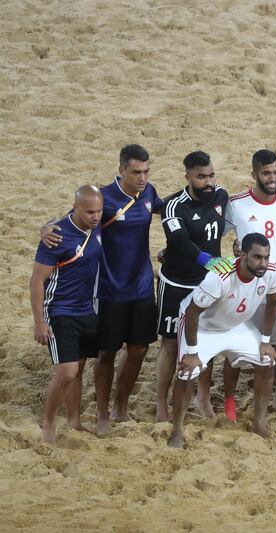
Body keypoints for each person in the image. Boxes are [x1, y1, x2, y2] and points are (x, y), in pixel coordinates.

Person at [40, 145, 164, 434]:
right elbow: (65, 222)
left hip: (142, 285)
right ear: (121, 170)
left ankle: (120, 408)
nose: (142, 178)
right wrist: (44, 228)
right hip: (109, 288)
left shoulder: (148, 192)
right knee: (106, 353)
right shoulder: (104, 199)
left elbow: (166, 209)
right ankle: (102, 413)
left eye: (146, 171)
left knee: (139, 349)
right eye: (135, 172)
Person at [168, 233, 276, 448]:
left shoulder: (271, 273)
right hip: (204, 326)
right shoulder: (220, 277)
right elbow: (192, 313)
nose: (263, 263)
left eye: (266, 257)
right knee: (187, 372)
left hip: (236, 325)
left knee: (268, 361)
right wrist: (192, 353)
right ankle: (177, 430)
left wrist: (266, 340)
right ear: (243, 255)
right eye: (257, 257)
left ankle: (259, 423)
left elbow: (274, 303)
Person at [156, 151, 230, 422]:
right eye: (201, 177)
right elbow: (179, 241)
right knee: (172, 344)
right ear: (187, 176)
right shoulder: (175, 206)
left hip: (206, 284)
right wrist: (208, 260)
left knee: (204, 342)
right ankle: (161, 403)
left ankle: (203, 398)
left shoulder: (221, 196)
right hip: (176, 283)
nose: (208, 181)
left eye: (211, 175)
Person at [222, 149, 276, 421]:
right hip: (243, 283)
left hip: (274, 281)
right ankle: (229, 402)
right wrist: (233, 252)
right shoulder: (237, 204)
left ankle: (270, 398)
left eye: (275, 172)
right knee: (233, 351)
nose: (272, 178)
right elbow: (217, 233)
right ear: (254, 175)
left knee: (275, 345)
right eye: (266, 173)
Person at [31, 185, 103, 444]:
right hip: (60, 310)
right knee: (67, 372)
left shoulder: (95, 226)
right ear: (75, 209)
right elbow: (37, 280)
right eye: (90, 212)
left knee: (80, 366)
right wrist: (39, 322)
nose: (96, 217)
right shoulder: (57, 237)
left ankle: (74, 421)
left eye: (99, 211)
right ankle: (49, 422)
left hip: (87, 308)